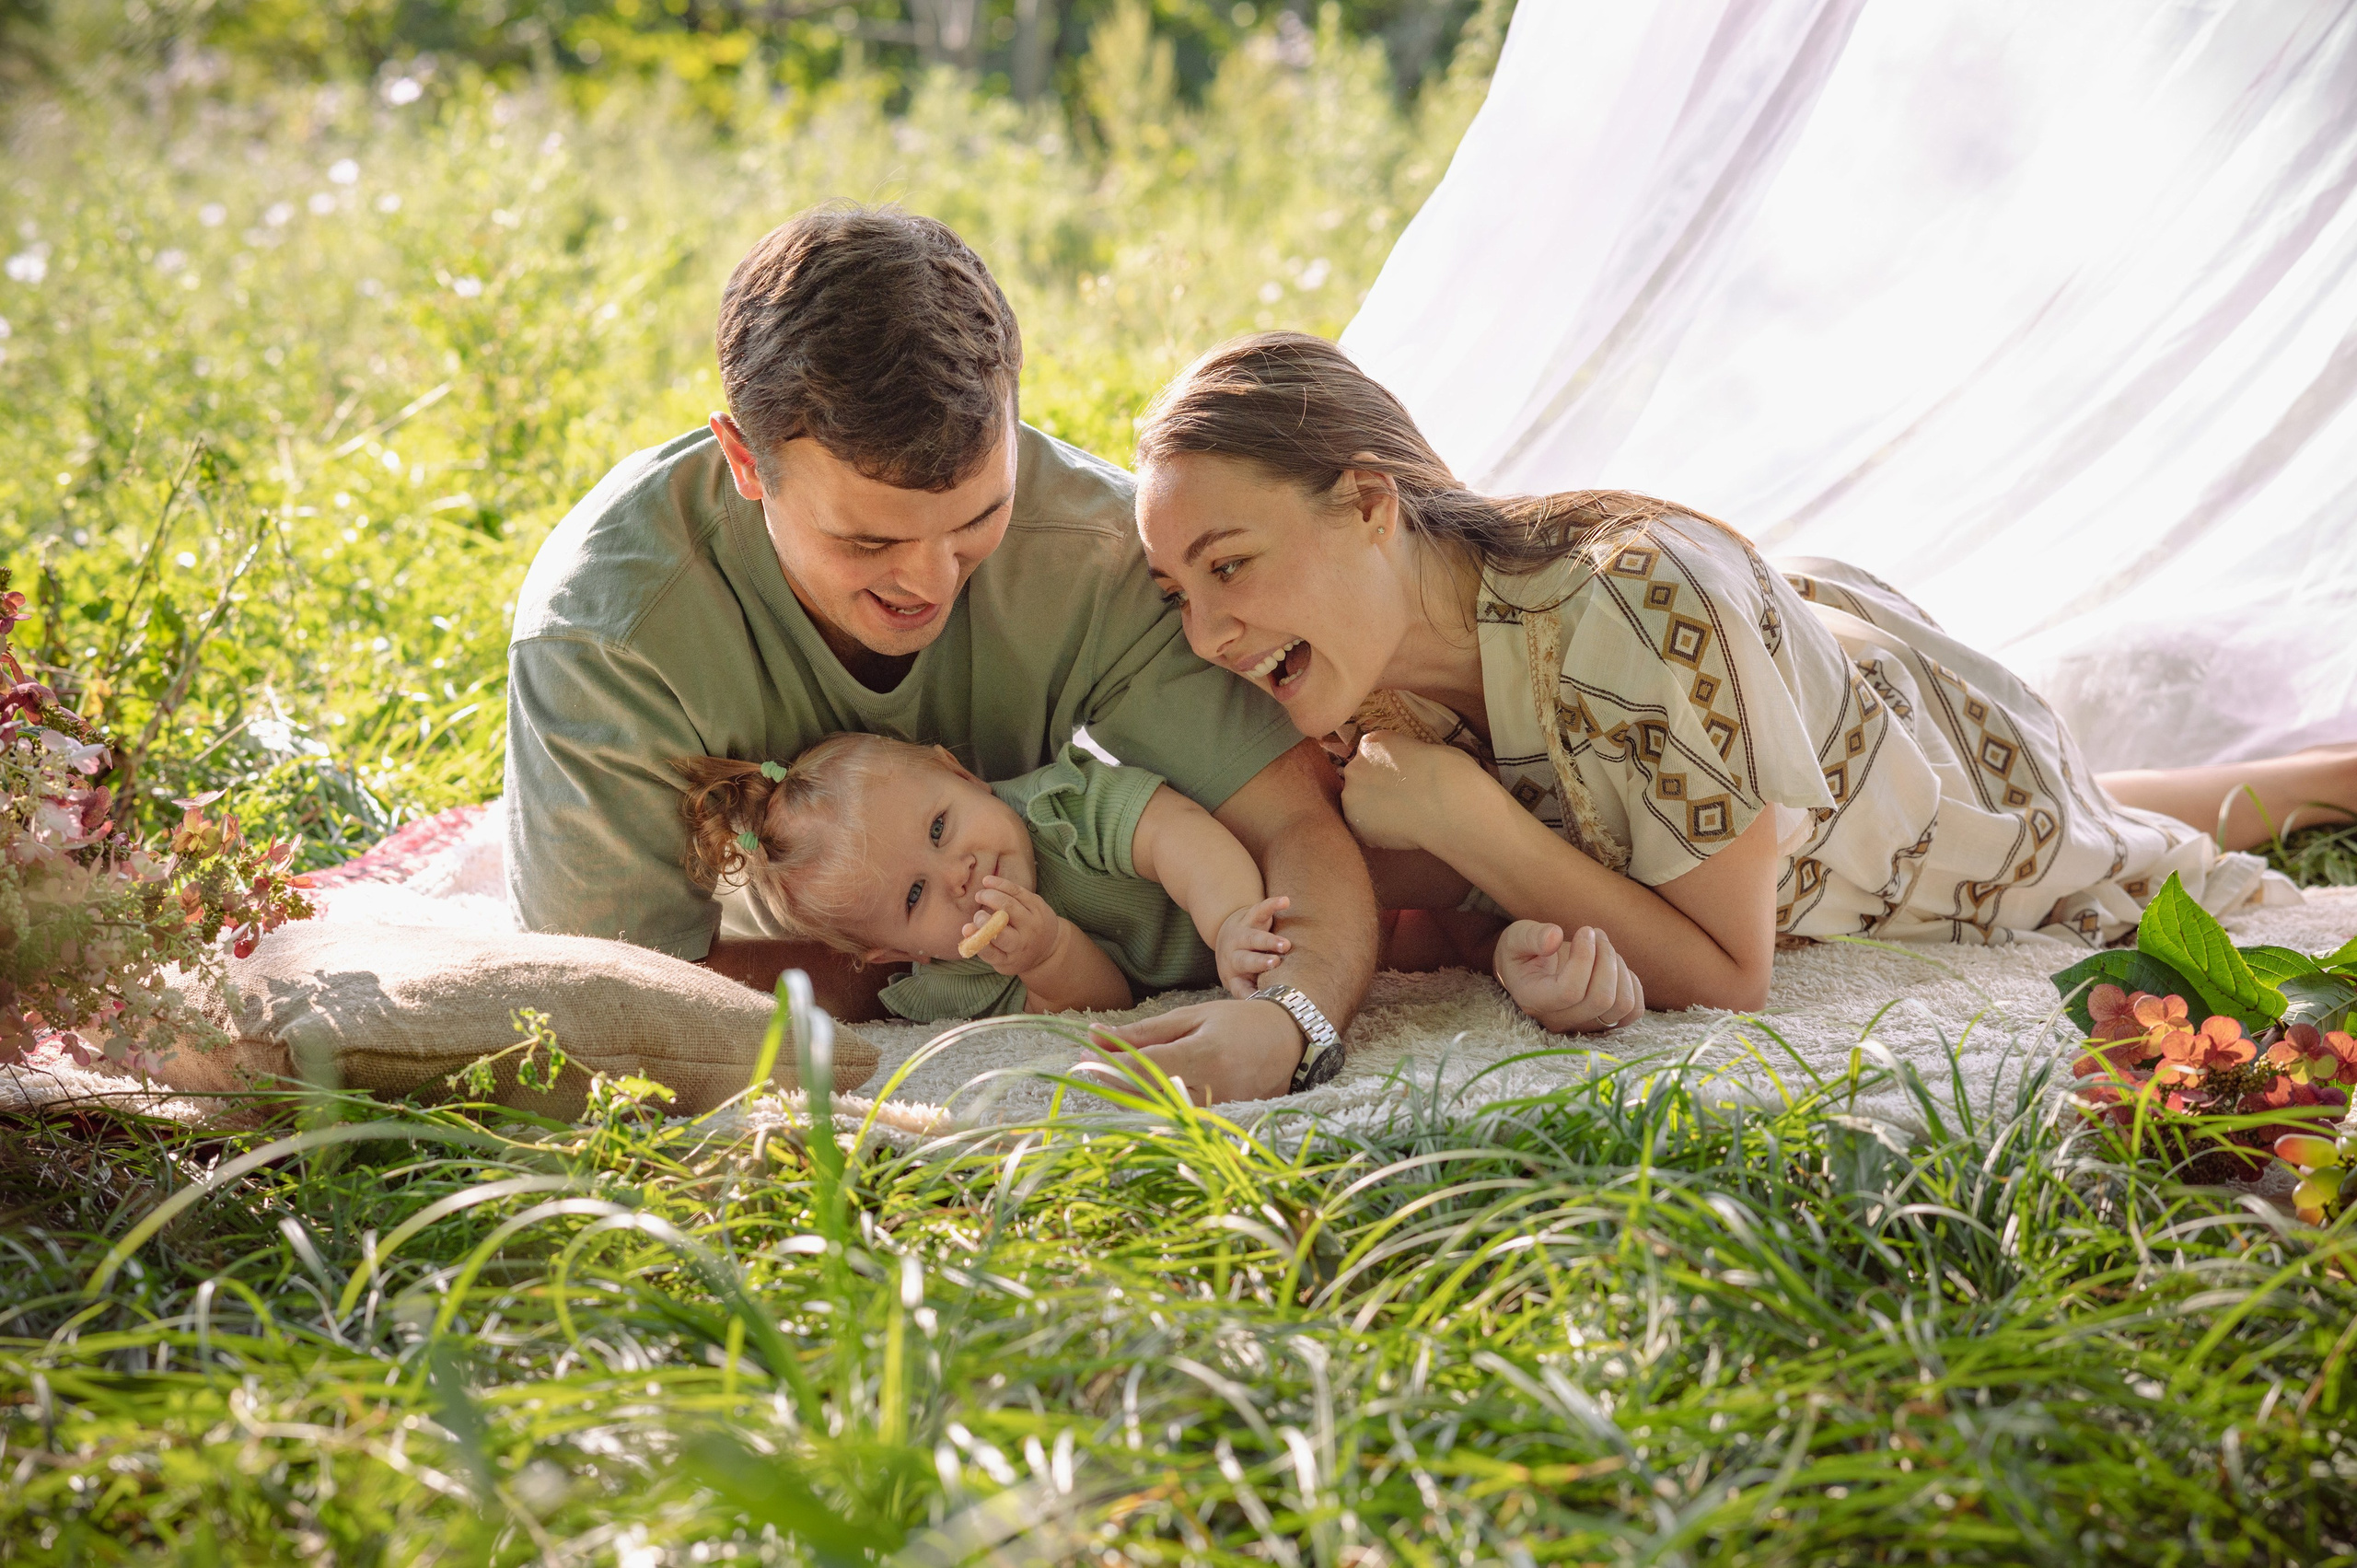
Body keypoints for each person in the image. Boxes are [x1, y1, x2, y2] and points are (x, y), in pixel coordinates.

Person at [1131, 332, 2353, 1032]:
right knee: (2122, 808)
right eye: (1177, 591)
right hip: (1799, 715)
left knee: (2096, 843)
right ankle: (2320, 774)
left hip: (1929, 760)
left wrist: (1467, 822)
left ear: (1366, 501)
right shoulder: (1372, 695)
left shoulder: (1625, 610)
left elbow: (1727, 973)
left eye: (1228, 564)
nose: (1204, 629)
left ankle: (2327, 783)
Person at [505, 211, 1375, 1102]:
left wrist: (1289, 1021)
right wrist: (929, 969)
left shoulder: (1093, 547)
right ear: (745, 461)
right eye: (866, 539)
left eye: (973, 522)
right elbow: (609, 995)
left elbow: (1296, 821)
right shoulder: (607, 634)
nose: (926, 581)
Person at [671, 738, 1290, 1021]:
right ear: (897, 952)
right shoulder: (959, 974)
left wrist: (1231, 917)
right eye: (914, 896)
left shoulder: (1062, 807)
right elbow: (1108, 1006)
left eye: (940, 828)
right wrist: (1046, 955)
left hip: (1249, 896)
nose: (957, 876)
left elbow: (1177, 835)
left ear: (962, 774)